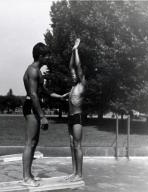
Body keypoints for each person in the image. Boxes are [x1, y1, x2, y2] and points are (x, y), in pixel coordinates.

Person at [22, 42, 68, 187]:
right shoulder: (33, 71)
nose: (48, 58)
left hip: (33, 106)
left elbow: (45, 92)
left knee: (34, 142)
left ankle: (28, 174)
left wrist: (60, 96)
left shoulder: (38, 71)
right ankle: (26, 178)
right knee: (30, 142)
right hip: (31, 107)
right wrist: (42, 116)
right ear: (40, 56)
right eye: (47, 55)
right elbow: (34, 95)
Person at [66, 38, 86, 182]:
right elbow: (71, 66)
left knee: (78, 145)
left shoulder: (81, 85)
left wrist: (76, 50)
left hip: (77, 117)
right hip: (70, 117)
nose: (73, 75)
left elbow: (77, 66)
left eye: (75, 75)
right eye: (71, 75)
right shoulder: (72, 87)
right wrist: (72, 53)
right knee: (72, 144)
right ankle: (74, 172)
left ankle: (79, 174)